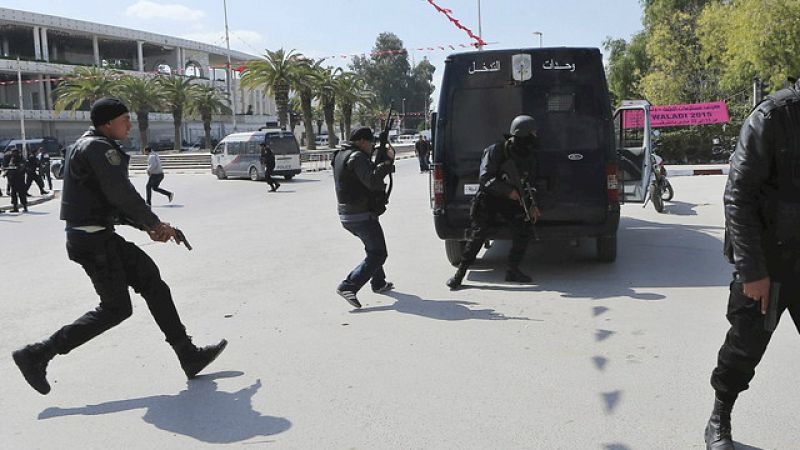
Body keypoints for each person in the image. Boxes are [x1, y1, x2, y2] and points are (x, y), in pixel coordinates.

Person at [11, 97, 227, 395]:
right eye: (125, 119)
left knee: (151, 281)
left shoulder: (87, 146)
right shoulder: (98, 148)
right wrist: (154, 224)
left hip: (97, 236)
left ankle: (187, 354)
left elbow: (108, 203)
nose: (130, 125)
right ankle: (38, 353)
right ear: (108, 123)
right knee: (116, 309)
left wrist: (150, 227)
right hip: (93, 241)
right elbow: (121, 194)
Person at [704, 78, 800, 450]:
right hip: (768, 262)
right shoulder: (773, 117)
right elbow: (738, 197)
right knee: (743, 351)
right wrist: (752, 271)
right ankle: (719, 419)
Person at [446, 115, 542, 290]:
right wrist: (508, 191)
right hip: (488, 199)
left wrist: (532, 205)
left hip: (510, 201)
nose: (535, 137)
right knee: (478, 235)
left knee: (524, 229)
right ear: (522, 134)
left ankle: (513, 270)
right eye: (532, 133)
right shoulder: (497, 150)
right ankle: (459, 274)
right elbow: (485, 178)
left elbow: (529, 183)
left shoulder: (528, 155)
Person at [332, 127, 396, 308]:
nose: (372, 146)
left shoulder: (340, 154)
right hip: (360, 215)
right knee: (378, 253)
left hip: (348, 213)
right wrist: (387, 162)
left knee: (372, 248)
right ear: (361, 141)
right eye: (370, 143)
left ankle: (379, 282)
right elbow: (372, 181)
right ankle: (348, 286)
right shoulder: (357, 157)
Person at [4, 148, 28, 212]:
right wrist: (6, 173)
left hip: (19, 180)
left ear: (16, 153)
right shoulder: (11, 159)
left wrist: (15, 169)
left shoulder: (21, 159)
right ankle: (15, 208)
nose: (11, 154)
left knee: (21, 194)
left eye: (13, 152)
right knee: (13, 194)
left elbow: (21, 168)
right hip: (13, 180)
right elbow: (10, 167)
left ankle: (25, 207)